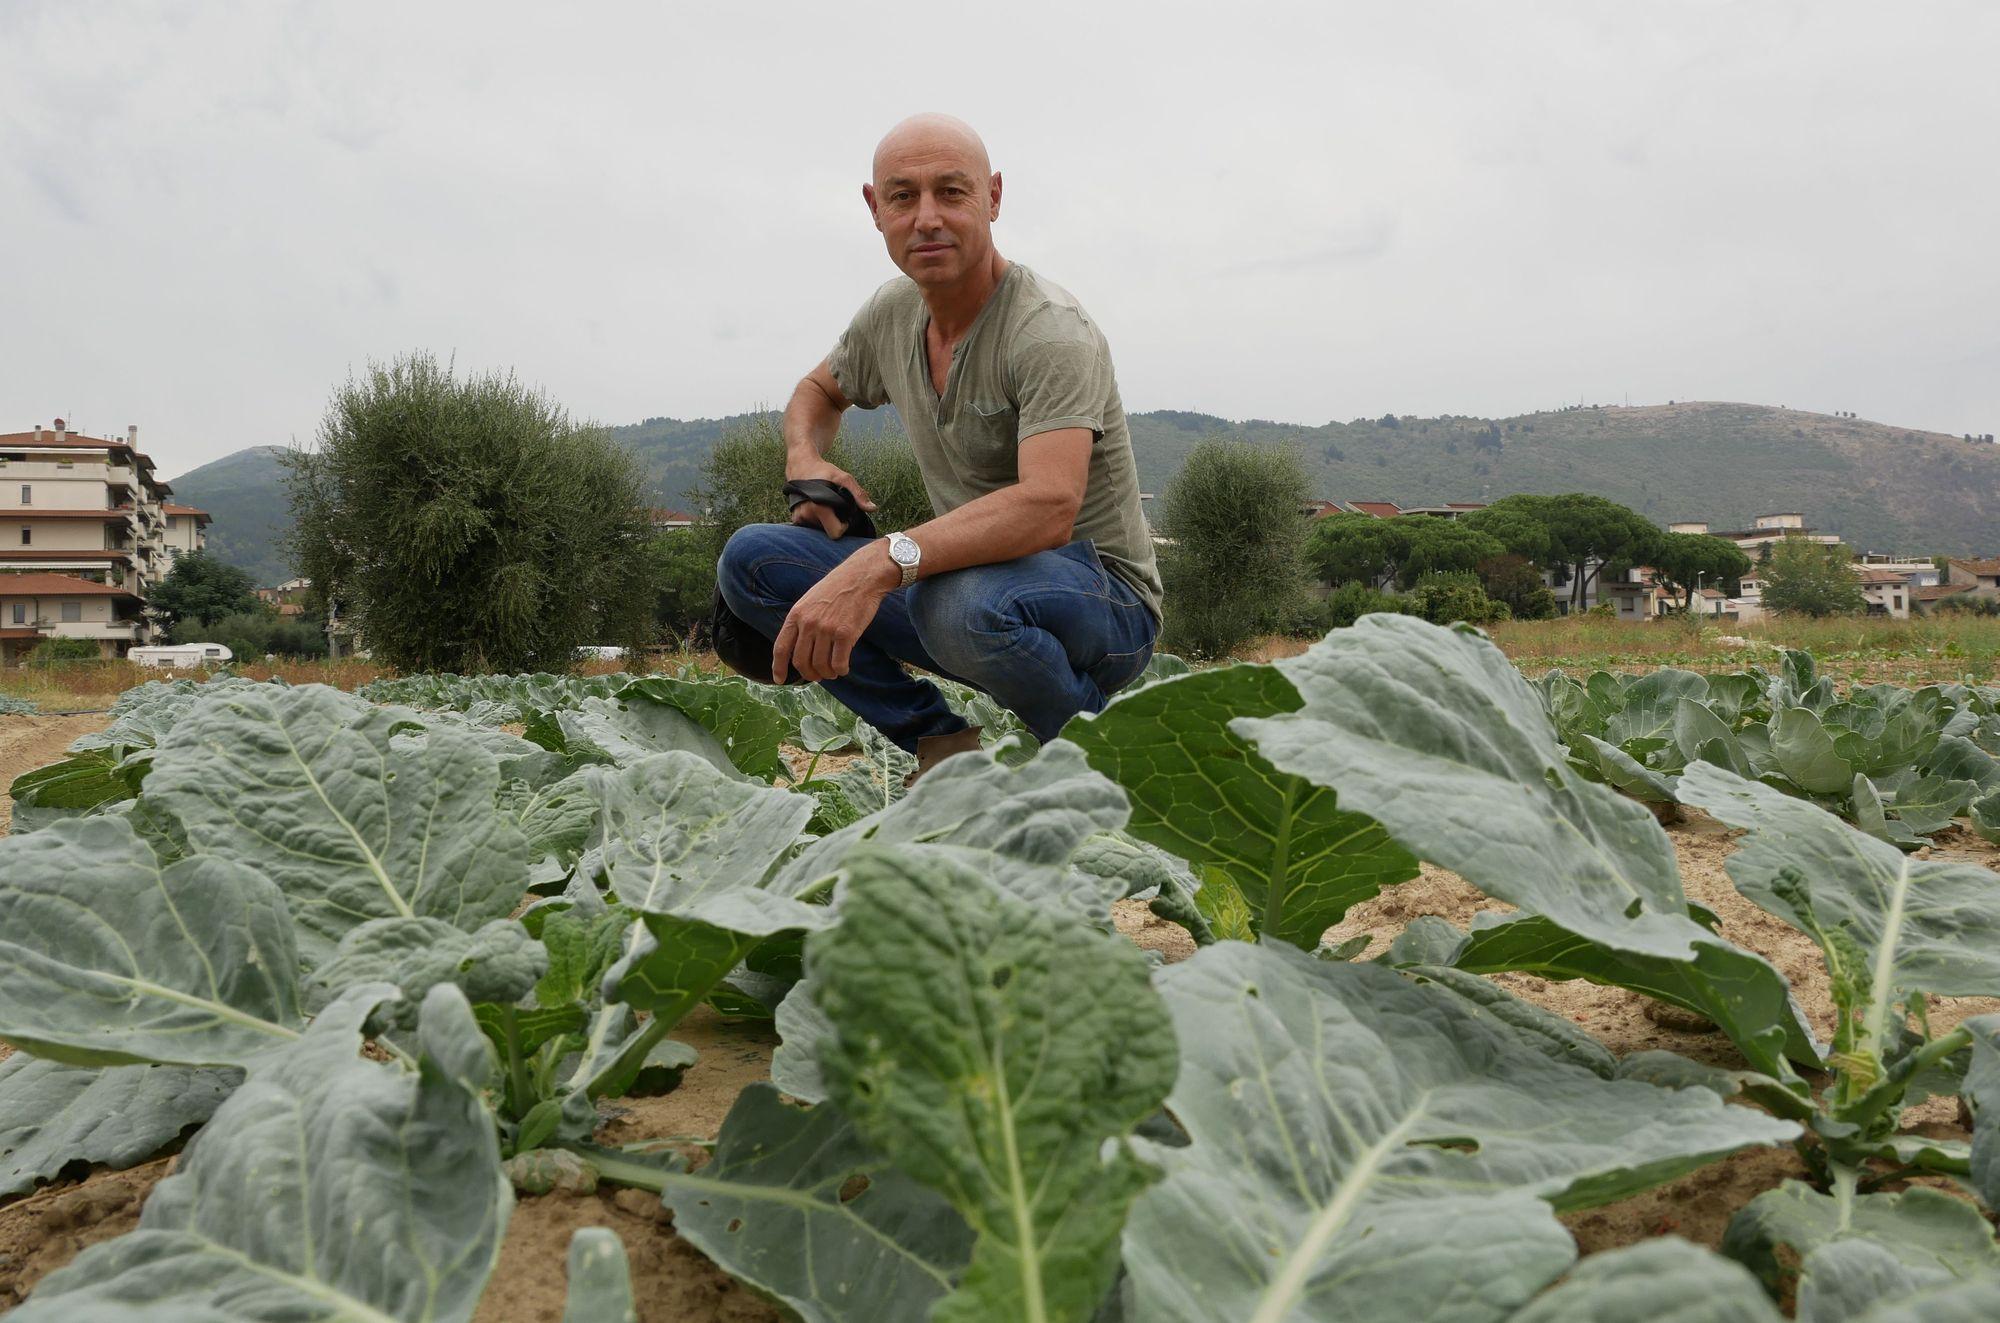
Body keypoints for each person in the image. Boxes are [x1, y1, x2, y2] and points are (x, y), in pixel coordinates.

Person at [715, 112, 1161, 778]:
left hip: (1102, 599)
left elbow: (1049, 506)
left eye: (951, 192)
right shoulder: (891, 314)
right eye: (903, 196)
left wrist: (878, 564)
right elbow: (816, 392)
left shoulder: (1048, 331)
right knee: (751, 562)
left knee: (952, 604)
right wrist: (805, 461)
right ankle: (946, 751)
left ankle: (1100, 762)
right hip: (963, 588)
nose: (927, 217)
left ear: (993, 198)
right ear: (875, 208)